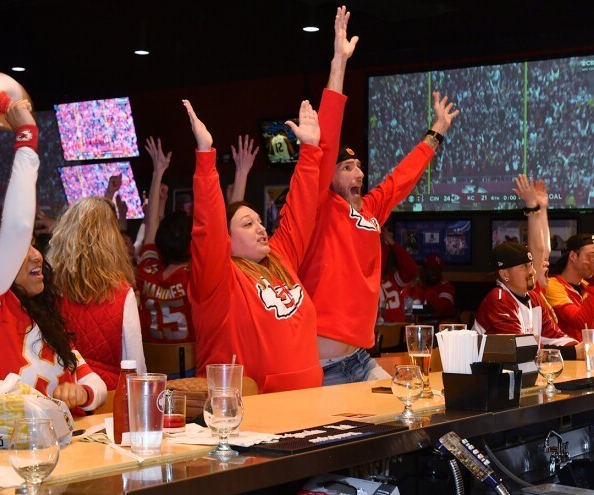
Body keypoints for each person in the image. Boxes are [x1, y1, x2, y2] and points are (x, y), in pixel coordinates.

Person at [298, 6, 460, 385]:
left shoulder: (369, 209)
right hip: (325, 370)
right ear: (329, 176)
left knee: (412, 416)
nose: (359, 173)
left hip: (360, 360)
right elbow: (327, 139)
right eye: (348, 168)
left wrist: (436, 131)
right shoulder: (320, 208)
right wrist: (338, 64)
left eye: (359, 167)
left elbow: (400, 179)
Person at [0, 99, 106, 414]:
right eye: (20, 248)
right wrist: (26, 139)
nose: (35, 256)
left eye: (33, 244)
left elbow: (95, 384)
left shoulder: (40, 317)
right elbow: (15, 227)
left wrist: (82, 394)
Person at [184, 96, 324, 393]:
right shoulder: (218, 283)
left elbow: (300, 211)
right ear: (227, 241)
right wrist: (206, 156)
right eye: (247, 224)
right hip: (250, 415)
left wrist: (310, 151)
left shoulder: (279, 258)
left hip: (309, 404)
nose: (261, 228)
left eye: (260, 221)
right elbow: (208, 228)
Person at [46, 195, 146, 390]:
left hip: (61, 392)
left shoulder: (49, 288)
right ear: (112, 241)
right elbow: (136, 366)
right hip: (106, 400)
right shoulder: (122, 293)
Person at [474, 242, 582, 358]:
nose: (532, 271)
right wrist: (574, 352)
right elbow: (521, 349)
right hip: (485, 373)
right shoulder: (498, 300)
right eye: (524, 266)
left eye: (531, 264)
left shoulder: (534, 298)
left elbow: (555, 337)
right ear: (504, 273)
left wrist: (585, 348)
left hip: (514, 372)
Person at [136, 137, 195, 344]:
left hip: (155, 367)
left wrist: (157, 172)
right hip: (190, 369)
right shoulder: (194, 278)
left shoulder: (146, 271)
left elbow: (150, 224)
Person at [377, 228, 418, 324]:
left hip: (398, 332)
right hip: (377, 333)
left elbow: (411, 269)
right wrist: (386, 246)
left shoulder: (392, 277)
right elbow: (377, 268)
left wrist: (393, 244)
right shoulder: (364, 278)